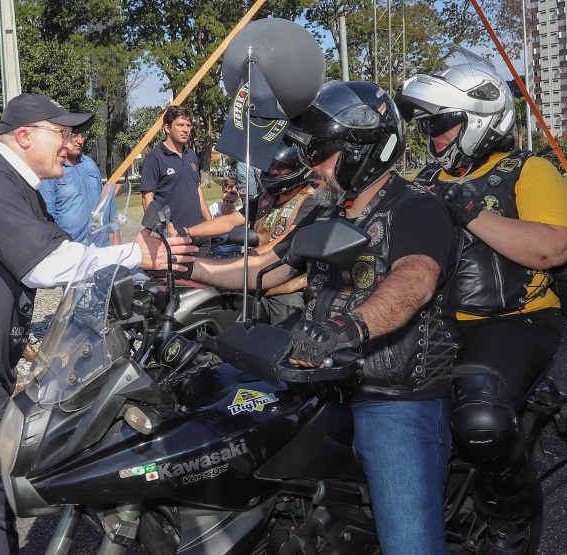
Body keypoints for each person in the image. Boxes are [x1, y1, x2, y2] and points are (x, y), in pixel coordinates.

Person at [0, 93, 195, 555]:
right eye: (61, 132)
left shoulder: (18, 187)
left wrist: (128, 268)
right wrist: (136, 255)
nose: (69, 143)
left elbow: (68, 252)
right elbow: (47, 264)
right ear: (25, 135)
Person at [175, 81, 461, 554]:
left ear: (361, 150)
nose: (312, 165)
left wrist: (349, 327)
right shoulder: (327, 212)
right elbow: (266, 267)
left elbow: (415, 282)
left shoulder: (417, 207)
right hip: (322, 381)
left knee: (409, 545)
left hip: (392, 394)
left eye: (321, 153)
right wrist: (185, 267)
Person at [396, 51, 567, 555]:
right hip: (434, 319)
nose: (434, 137)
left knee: (481, 418)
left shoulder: (529, 169)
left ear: (481, 119)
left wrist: (468, 208)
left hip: (515, 318)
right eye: (428, 126)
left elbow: (553, 248)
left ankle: (511, 510)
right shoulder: (424, 180)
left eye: (443, 124)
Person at [181, 135, 318, 326]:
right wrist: (185, 233)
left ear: (299, 168)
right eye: (272, 165)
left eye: (281, 166)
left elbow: (287, 240)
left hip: (285, 287)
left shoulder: (310, 201)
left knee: (288, 336)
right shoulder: (266, 198)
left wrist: (250, 257)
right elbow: (230, 221)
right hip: (254, 279)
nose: (274, 171)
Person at [140, 105, 212, 255]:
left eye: (188, 125)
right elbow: (147, 200)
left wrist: (208, 220)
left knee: (207, 270)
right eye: (180, 125)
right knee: (180, 271)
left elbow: (197, 188)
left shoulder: (191, 154)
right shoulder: (154, 158)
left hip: (200, 233)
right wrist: (166, 229)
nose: (185, 130)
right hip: (175, 236)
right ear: (167, 128)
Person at [38, 129, 119, 247]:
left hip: (101, 244)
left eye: (82, 135)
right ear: (63, 136)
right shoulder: (52, 169)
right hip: (72, 248)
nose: (80, 141)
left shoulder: (89, 164)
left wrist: (116, 233)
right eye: (74, 135)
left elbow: (105, 199)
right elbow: (47, 216)